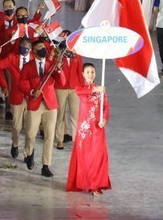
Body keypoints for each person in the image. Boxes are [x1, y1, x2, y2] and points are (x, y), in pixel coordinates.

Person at [19, 39, 63, 178]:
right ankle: (29, 151)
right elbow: (21, 83)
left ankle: (46, 165)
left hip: (50, 104)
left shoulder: (52, 64)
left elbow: (62, 82)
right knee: (31, 134)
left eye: (44, 47)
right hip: (35, 104)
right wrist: (31, 91)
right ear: (34, 51)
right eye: (39, 48)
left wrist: (60, 68)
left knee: (49, 136)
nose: (43, 50)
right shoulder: (28, 66)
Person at [66, 63, 111, 196]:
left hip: (97, 127)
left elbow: (106, 107)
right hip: (85, 128)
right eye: (88, 72)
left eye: (92, 72)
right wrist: (96, 90)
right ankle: (84, 182)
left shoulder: (101, 90)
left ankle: (95, 185)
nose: (90, 75)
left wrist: (104, 119)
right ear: (83, 74)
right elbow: (80, 92)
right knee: (85, 156)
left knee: (98, 156)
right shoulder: (81, 88)